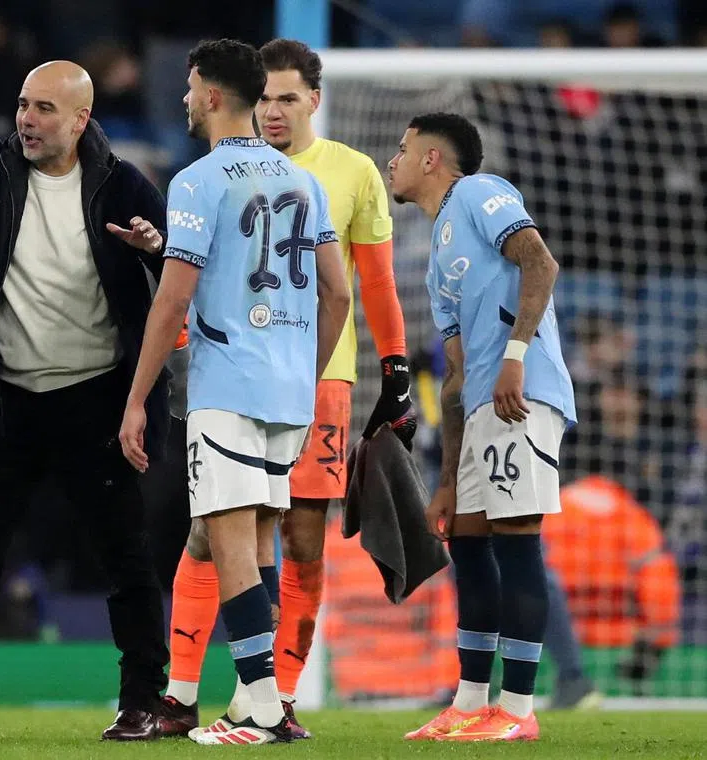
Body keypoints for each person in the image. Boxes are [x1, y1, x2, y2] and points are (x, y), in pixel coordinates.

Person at [0, 60, 171, 743]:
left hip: (94, 399)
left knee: (126, 561)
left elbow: (180, 275)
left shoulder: (126, 185)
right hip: (4, 397)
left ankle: (142, 701)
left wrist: (154, 251)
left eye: (45, 108)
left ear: (81, 119)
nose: (27, 119)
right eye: (23, 104)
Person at [157, 38, 415, 739]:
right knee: (223, 532)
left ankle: (275, 696)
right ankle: (207, 693)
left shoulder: (347, 170)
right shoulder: (255, 177)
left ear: (313, 102)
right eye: (265, 96)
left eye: (287, 98)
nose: (274, 110)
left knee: (292, 539)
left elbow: (373, 284)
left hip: (309, 377)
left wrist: (395, 368)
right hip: (275, 377)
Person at [119, 38, 351, 745]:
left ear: (213, 95)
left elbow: (172, 302)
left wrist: (137, 399)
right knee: (255, 541)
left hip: (228, 384)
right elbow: (339, 293)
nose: (185, 100)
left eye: (191, 89)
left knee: (226, 541)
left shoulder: (197, 181)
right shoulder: (299, 180)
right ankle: (263, 699)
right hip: (288, 391)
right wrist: (301, 371)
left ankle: (260, 707)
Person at [388, 113, 575, 742]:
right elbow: (455, 376)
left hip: (522, 395)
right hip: (481, 408)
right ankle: (470, 703)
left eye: (405, 149)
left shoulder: (477, 192)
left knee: (518, 540)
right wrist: (447, 479)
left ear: (435, 159)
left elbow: (540, 264)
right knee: (467, 538)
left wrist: (516, 358)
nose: (395, 160)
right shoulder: (438, 254)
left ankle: (518, 710)